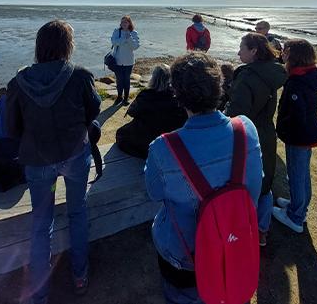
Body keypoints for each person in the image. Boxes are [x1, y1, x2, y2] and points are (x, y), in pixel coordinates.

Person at [145, 53, 262, 304]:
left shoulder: (164, 148)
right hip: (235, 242)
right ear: (219, 85)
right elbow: (256, 184)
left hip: (185, 255)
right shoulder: (246, 129)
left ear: (176, 93)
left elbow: (153, 193)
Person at [6, 20, 101, 302]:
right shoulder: (80, 76)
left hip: (38, 163)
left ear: (39, 46)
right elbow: (93, 110)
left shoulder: (19, 82)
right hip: (74, 157)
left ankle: (40, 294)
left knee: (41, 223)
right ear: (67, 46)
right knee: (77, 212)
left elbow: (11, 128)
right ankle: (80, 275)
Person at [226, 33, 287, 247]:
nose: (238, 52)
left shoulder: (247, 76)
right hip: (266, 130)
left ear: (253, 51)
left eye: (241, 48)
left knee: (248, 181)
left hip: (248, 133)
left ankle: (245, 230)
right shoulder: (273, 71)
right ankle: (262, 229)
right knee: (265, 180)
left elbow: (237, 113)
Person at [273, 39, 317, 233]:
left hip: (300, 136)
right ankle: (298, 207)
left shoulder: (297, 82)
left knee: (296, 175)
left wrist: (284, 132)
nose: (282, 53)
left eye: (285, 50)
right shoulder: (310, 73)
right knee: (301, 175)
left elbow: (296, 115)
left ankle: (295, 216)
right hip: (307, 133)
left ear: (294, 55)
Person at [116, 64, 187, 159]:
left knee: (121, 134)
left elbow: (132, 112)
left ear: (153, 78)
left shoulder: (146, 96)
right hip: (168, 141)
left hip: (146, 141)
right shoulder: (178, 98)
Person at [111, 15, 140, 107]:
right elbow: (114, 42)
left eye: (126, 22)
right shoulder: (117, 31)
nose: (124, 24)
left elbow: (135, 47)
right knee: (119, 80)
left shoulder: (134, 33)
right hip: (117, 61)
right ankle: (119, 97)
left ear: (129, 23)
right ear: (120, 23)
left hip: (129, 61)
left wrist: (129, 38)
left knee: (127, 80)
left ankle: (126, 98)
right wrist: (124, 39)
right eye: (122, 22)